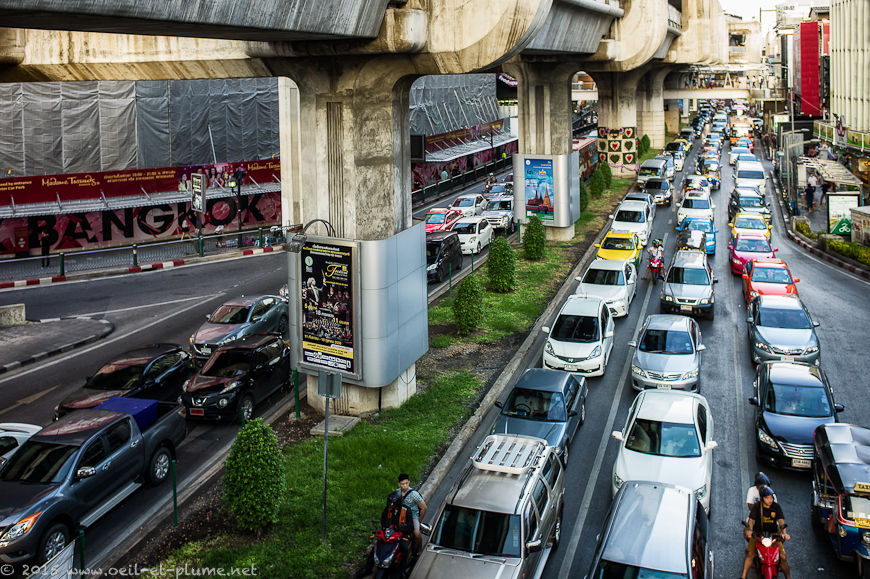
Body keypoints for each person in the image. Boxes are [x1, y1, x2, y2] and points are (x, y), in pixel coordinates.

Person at [742, 486, 790, 579]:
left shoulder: (776, 507)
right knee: (750, 554)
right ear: (762, 498)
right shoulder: (757, 507)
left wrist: (784, 533)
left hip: (773, 536)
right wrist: (750, 531)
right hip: (758, 535)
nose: (770, 500)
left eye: (771, 497)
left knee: (783, 557)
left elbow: (781, 521)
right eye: (767, 498)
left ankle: (788, 577)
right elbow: (751, 520)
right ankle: (743, 576)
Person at [397, 473, 427, 554]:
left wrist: (419, 520)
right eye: (403, 484)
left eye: (406, 483)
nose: (405, 486)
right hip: (402, 515)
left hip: (413, 516)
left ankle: (420, 549)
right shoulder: (397, 493)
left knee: (417, 533)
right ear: (399, 484)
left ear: (409, 482)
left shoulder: (414, 495)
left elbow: (424, 507)